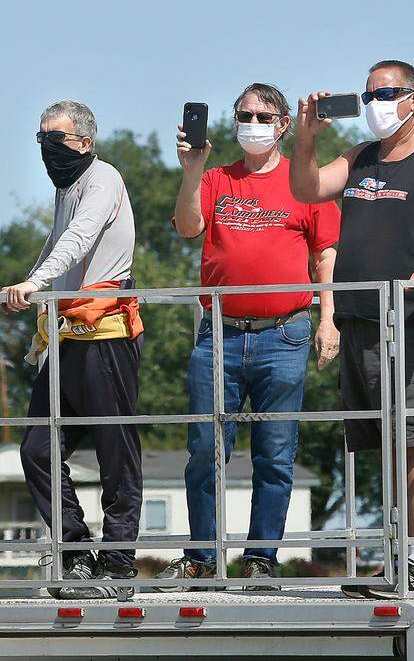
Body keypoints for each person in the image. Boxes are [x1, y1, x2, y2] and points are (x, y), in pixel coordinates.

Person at [292, 60, 414, 597]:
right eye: (369, 93)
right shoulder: (359, 157)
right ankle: (395, 556)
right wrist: (305, 139)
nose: (375, 102)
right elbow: (307, 188)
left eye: (386, 93)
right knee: (381, 442)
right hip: (358, 319)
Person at [154, 83, 341, 592]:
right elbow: (189, 228)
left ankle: (261, 558)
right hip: (220, 334)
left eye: (262, 115)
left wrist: (329, 318)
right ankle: (202, 556)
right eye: (243, 114)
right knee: (204, 451)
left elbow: (325, 253)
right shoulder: (215, 178)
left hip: (285, 333)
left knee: (276, 454)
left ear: (283, 124)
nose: (251, 123)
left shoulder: (307, 182)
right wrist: (191, 170)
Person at [4, 100, 144, 600]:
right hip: (65, 332)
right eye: (40, 138)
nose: (46, 149)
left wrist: (36, 280)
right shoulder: (66, 188)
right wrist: (31, 287)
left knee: (115, 449)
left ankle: (118, 557)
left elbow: (81, 239)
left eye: (55, 139)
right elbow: (56, 242)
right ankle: (75, 550)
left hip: (105, 330)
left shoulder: (102, 177)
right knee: (38, 448)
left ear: (83, 142)